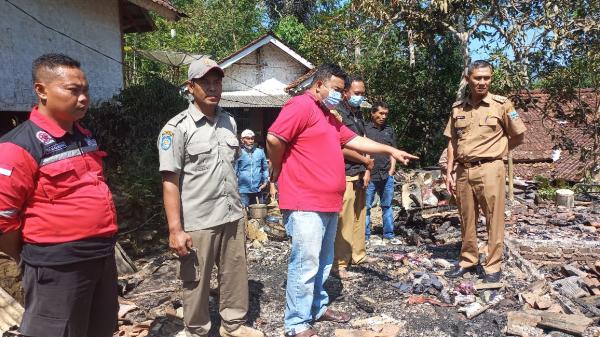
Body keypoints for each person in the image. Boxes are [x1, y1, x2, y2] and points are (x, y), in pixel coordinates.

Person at [267, 64, 418, 337]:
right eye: (336, 90)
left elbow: (356, 141)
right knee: (305, 262)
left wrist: (390, 149)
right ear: (319, 85)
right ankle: (296, 323)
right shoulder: (300, 106)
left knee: (324, 260)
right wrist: (277, 169)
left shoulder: (327, 116)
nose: (340, 95)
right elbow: (275, 137)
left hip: (327, 201)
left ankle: (316, 307)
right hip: (305, 200)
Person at [0, 53, 119, 337]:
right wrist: (30, 256)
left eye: (85, 90)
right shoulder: (18, 146)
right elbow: (4, 217)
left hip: (100, 256)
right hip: (57, 265)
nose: (83, 98)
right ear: (41, 90)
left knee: (99, 328)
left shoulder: (83, 135)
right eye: (73, 90)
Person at [158, 57, 263, 337]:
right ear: (190, 87)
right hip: (199, 219)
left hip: (231, 214)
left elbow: (232, 165)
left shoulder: (229, 121)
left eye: (217, 81)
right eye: (206, 82)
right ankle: (195, 330)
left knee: (235, 274)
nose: (213, 87)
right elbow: (170, 181)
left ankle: (234, 325)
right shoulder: (176, 128)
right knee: (196, 280)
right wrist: (175, 229)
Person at [443, 60, 526, 283]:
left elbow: (518, 135)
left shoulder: (502, 105)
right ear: (468, 78)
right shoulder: (457, 108)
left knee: (493, 218)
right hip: (463, 171)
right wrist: (449, 171)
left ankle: (492, 265)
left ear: (491, 78)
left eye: (486, 78)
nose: (482, 82)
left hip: (490, 169)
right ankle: (468, 260)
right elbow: (452, 141)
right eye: (477, 78)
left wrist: (499, 151)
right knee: (466, 218)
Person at [331, 75, 376, 279]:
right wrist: (366, 161)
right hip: (344, 172)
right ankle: (339, 263)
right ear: (346, 93)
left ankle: (358, 255)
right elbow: (341, 147)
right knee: (345, 219)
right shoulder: (337, 113)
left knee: (360, 215)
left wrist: (367, 168)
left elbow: (363, 140)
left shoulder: (357, 113)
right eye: (357, 94)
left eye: (363, 93)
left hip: (360, 172)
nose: (360, 97)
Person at [364, 102, 400, 244]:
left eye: (385, 114)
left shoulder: (389, 130)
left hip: (386, 175)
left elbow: (393, 152)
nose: (383, 116)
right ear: (373, 113)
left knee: (387, 206)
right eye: (380, 113)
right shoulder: (365, 129)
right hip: (370, 175)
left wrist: (392, 169)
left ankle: (389, 235)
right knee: (366, 207)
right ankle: (365, 236)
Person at [235, 129, 269, 207]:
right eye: (248, 138)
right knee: (244, 214)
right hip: (243, 190)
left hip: (258, 188)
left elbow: (265, 168)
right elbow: (234, 170)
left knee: (259, 215)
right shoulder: (239, 153)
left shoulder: (260, 152)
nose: (250, 141)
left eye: (252, 138)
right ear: (242, 140)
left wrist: (265, 181)